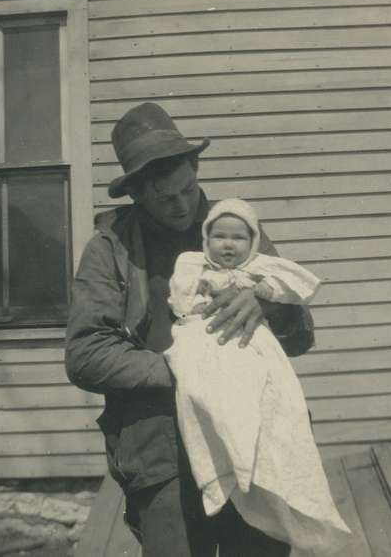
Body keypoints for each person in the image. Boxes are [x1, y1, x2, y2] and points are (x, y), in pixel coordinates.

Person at [64, 102, 316, 557]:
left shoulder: (233, 230)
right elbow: (86, 354)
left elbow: (300, 336)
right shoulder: (109, 249)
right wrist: (185, 370)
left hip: (250, 435)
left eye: (189, 189)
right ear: (137, 194)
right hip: (161, 447)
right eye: (164, 197)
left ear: (196, 170)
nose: (183, 207)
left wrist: (266, 306)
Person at [165, 198, 350, 556]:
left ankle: (264, 476)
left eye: (238, 238)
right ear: (206, 240)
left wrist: (262, 295)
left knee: (276, 400)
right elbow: (180, 299)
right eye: (219, 236)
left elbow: (299, 284)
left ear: (252, 242)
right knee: (198, 396)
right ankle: (223, 474)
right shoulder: (193, 265)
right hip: (203, 347)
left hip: (250, 348)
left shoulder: (260, 268)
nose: (228, 245)